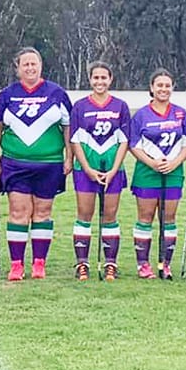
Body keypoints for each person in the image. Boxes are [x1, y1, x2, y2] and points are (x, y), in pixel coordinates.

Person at [0, 48, 71, 281]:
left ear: (41, 66)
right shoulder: (7, 95)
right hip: (16, 163)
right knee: (18, 212)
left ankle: (39, 263)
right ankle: (16, 265)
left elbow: (68, 127)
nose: (30, 68)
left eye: (34, 63)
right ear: (18, 68)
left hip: (49, 164)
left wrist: (69, 157)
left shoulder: (57, 93)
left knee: (43, 212)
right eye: (25, 64)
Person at [128, 71, 186, 279]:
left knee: (169, 218)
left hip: (173, 173)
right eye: (159, 85)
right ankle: (143, 265)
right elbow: (133, 145)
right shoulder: (141, 115)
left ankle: (165, 264)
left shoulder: (181, 114)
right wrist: (152, 163)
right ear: (152, 87)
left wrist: (174, 163)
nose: (163, 89)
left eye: (167, 85)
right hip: (147, 173)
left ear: (172, 87)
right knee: (145, 217)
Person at [68, 62, 131, 279]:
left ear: (110, 79)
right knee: (84, 214)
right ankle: (82, 263)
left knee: (109, 215)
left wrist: (114, 169)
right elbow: (74, 140)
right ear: (90, 79)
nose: (100, 81)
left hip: (112, 170)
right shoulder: (80, 106)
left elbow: (124, 141)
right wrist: (87, 168)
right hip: (85, 170)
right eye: (96, 77)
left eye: (104, 77)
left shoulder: (120, 106)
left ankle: (110, 263)